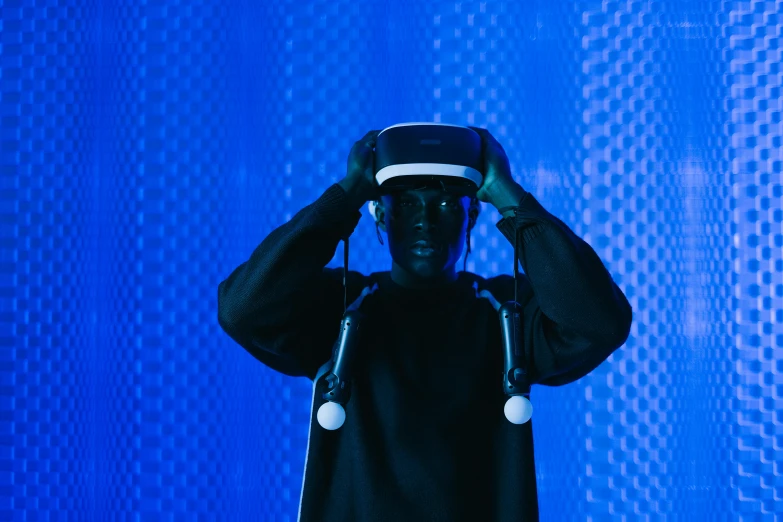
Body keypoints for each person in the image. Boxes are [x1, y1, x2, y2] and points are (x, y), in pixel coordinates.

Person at [217, 127, 633, 522]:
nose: (425, 221)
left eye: (448, 204)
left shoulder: (507, 312)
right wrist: (346, 196)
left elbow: (600, 321)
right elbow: (243, 308)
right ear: (380, 216)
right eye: (407, 204)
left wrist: (509, 197)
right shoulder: (342, 306)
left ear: (472, 219)